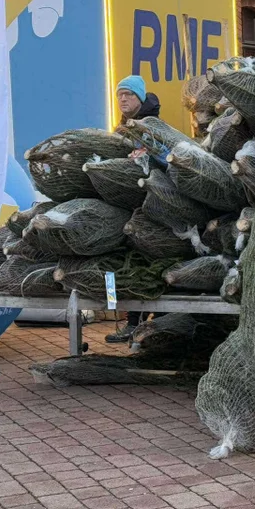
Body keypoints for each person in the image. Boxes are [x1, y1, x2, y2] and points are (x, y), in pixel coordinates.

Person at [106, 75, 162, 344]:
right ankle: (133, 322)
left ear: (140, 97)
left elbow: (163, 160)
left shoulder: (151, 125)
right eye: (120, 95)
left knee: (153, 261)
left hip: (151, 207)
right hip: (129, 207)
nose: (123, 99)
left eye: (128, 94)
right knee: (131, 264)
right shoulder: (122, 128)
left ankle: (158, 324)